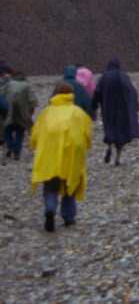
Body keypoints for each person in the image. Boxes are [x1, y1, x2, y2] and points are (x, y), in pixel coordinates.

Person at [31, 83, 92, 232]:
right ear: (71, 95)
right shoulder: (78, 113)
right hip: (71, 157)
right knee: (70, 186)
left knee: (50, 186)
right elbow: (87, 136)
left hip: (49, 157)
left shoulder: (46, 113)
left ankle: (50, 209)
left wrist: (37, 147)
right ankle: (68, 217)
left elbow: (35, 137)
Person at [93, 58, 139, 166]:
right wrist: (135, 107)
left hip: (108, 109)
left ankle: (109, 146)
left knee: (110, 129)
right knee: (122, 133)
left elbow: (97, 93)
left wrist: (94, 106)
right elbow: (132, 92)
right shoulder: (124, 77)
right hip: (123, 110)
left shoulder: (104, 77)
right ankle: (117, 158)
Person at [2, 71, 37, 161]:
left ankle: (9, 146)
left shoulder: (8, 84)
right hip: (21, 113)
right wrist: (30, 112)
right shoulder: (27, 86)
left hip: (8, 112)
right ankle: (16, 152)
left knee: (7, 130)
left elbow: (1, 95)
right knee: (19, 132)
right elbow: (33, 101)